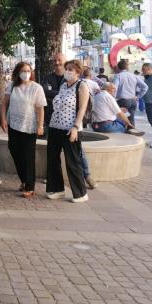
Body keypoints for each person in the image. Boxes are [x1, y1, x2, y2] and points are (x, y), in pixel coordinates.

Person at [46, 59, 91, 203]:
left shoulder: (82, 85)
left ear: (78, 72)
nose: (68, 71)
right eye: (67, 69)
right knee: (52, 159)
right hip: (55, 126)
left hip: (70, 128)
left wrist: (76, 127)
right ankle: (57, 189)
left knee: (72, 161)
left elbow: (82, 108)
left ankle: (80, 193)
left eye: (71, 69)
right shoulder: (63, 85)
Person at [0, 61, 46, 198]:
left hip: (29, 126)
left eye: (28, 70)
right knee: (14, 151)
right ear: (18, 72)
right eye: (23, 71)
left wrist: (40, 125)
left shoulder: (36, 88)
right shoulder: (12, 86)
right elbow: (4, 104)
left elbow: (40, 108)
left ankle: (30, 186)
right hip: (14, 125)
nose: (26, 73)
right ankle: (24, 180)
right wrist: (3, 119)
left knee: (28, 156)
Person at [112, 59, 148, 127]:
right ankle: (132, 133)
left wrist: (113, 98)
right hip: (132, 100)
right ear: (127, 67)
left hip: (122, 100)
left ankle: (123, 134)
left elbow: (114, 88)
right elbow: (145, 87)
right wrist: (138, 96)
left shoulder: (118, 76)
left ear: (118, 67)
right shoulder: (134, 76)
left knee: (121, 119)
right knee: (131, 119)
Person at [41, 53, 67, 130]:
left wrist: (52, 93)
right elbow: (45, 92)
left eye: (59, 60)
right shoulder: (47, 78)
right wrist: (64, 93)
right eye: (54, 60)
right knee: (51, 141)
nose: (57, 62)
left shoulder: (70, 78)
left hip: (67, 118)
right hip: (50, 117)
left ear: (65, 62)